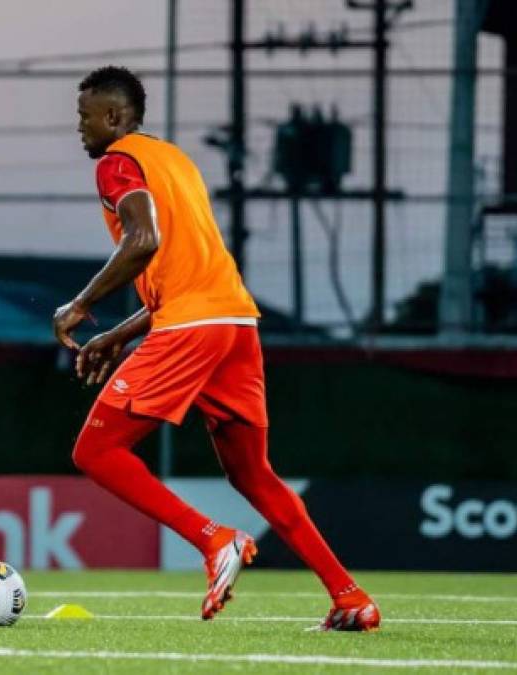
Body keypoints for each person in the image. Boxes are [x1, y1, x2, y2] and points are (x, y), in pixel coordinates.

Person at [52, 65, 379, 631]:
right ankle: (350, 597)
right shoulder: (174, 160)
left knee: (96, 453)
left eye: (83, 117)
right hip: (236, 324)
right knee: (255, 475)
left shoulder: (117, 162)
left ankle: (215, 540)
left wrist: (81, 304)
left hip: (192, 328)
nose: (79, 128)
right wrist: (116, 334)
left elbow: (143, 240)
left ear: (112, 116)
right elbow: (183, 273)